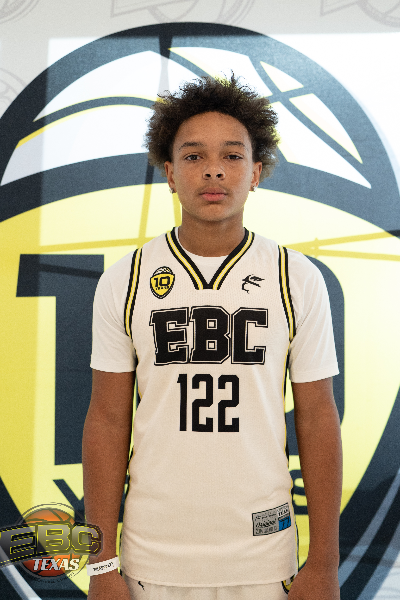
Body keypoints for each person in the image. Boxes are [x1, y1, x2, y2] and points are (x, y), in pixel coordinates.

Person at [83, 75, 342, 600]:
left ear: (256, 172)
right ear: (170, 173)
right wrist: (101, 564)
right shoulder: (126, 279)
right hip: (151, 557)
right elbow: (107, 419)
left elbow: (317, 416)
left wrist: (324, 563)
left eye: (232, 155)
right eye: (194, 155)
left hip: (264, 554)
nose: (214, 169)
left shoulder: (295, 276)